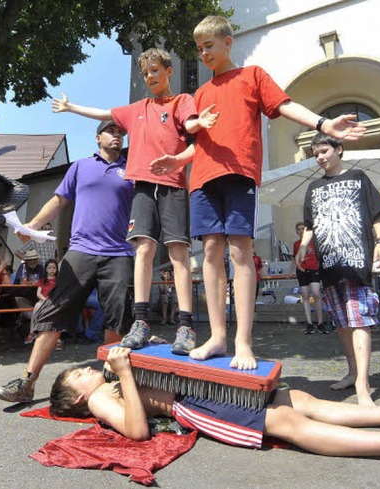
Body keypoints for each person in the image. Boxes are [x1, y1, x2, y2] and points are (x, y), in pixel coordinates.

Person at [150, 15, 366, 369]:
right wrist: (177, 160)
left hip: (239, 175)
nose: (203, 54)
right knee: (210, 252)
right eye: (199, 49)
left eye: (209, 46)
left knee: (240, 252)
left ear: (227, 42)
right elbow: (199, 144)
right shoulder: (200, 94)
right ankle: (218, 337)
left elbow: (284, 106)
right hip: (203, 179)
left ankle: (243, 342)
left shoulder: (253, 76)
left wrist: (323, 123)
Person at [52, 48, 219, 356]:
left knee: (178, 252)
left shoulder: (181, 101)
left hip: (172, 185)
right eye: (145, 73)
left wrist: (201, 122)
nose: (150, 76)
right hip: (142, 186)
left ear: (168, 71)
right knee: (143, 250)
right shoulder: (136, 108)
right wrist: (70, 106)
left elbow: (192, 126)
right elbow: (103, 115)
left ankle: (185, 326)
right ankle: (140, 322)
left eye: (155, 70)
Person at [0, 120, 134, 404]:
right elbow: (58, 201)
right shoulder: (80, 166)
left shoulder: (132, 169)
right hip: (81, 249)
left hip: (119, 252)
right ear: (97, 138)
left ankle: (113, 383)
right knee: (53, 312)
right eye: (111, 131)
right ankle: (27, 382)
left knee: (118, 316)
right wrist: (31, 225)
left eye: (121, 132)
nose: (117, 136)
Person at [50, 346, 380, 458]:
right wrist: (125, 371)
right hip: (194, 407)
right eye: (77, 374)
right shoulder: (98, 398)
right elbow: (136, 432)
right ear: (78, 396)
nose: (84, 368)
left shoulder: (107, 380)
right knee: (288, 422)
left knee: (298, 398)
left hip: (204, 390)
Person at [296, 133, 380, 406]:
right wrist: (303, 246)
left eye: (324, 151)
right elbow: (310, 224)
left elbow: (377, 213)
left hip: (356, 261)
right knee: (342, 322)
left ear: (338, 149)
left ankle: (363, 384)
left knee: (359, 318)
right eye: (315, 154)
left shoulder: (358, 177)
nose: (320, 157)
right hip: (329, 265)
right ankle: (352, 373)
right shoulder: (313, 187)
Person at [288, 222, 325, 334]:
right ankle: (309, 323)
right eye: (298, 229)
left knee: (316, 293)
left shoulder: (314, 242)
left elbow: (320, 256)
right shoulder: (296, 244)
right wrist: (290, 271)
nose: (300, 231)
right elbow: (295, 258)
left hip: (314, 269)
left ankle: (320, 322)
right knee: (304, 295)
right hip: (302, 270)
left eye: (302, 229)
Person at [24, 259, 58, 345]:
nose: (52, 270)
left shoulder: (58, 281)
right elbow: (38, 293)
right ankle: (32, 332)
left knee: (56, 312)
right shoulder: (42, 280)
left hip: (54, 301)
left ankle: (57, 338)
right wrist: (45, 300)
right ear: (46, 269)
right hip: (43, 300)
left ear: (57, 269)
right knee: (37, 307)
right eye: (50, 268)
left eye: (54, 268)